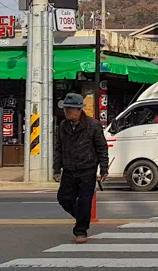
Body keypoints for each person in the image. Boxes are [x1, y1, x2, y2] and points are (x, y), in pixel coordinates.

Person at [54, 92, 108, 244]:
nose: (65, 112)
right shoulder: (63, 126)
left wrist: (104, 168)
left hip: (87, 169)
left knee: (85, 201)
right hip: (69, 169)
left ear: (78, 110)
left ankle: (81, 231)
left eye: (68, 109)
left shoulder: (93, 125)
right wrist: (56, 169)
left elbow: (102, 148)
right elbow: (58, 148)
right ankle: (82, 217)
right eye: (65, 109)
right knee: (64, 198)